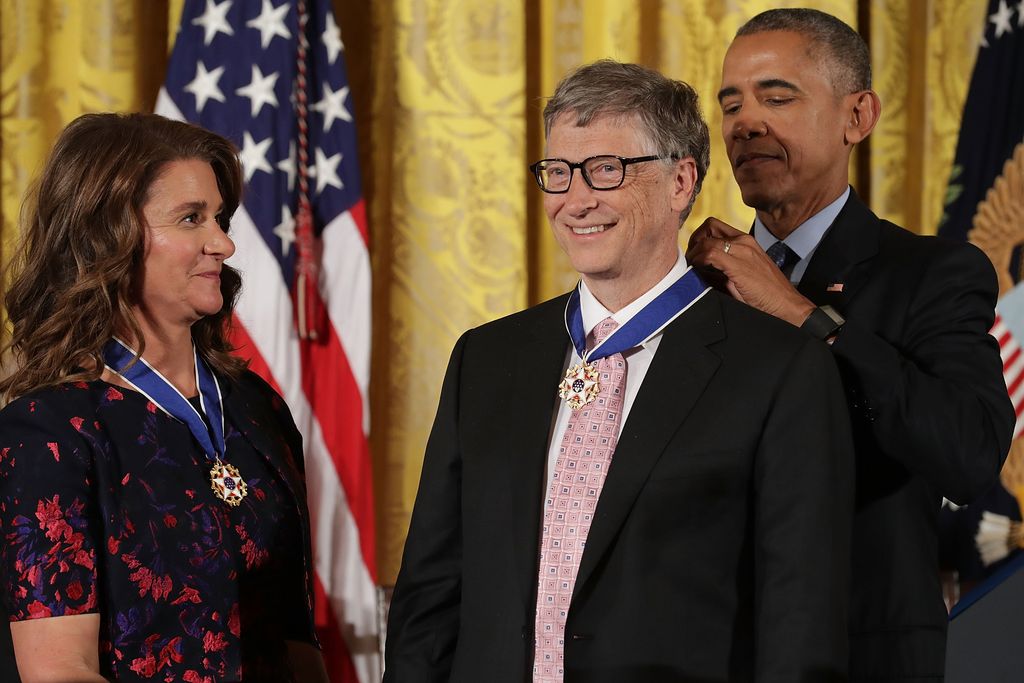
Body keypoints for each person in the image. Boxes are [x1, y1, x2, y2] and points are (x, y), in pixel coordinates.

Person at [385, 60, 854, 682]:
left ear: (681, 181)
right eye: (558, 173)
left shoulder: (779, 369)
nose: (576, 201)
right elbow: (431, 593)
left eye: (606, 170)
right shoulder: (487, 357)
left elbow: (801, 622)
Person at [686, 9, 1016, 681]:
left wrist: (799, 312)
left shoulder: (932, 275)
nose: (745, 122)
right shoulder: (689, 287)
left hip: (862, 654)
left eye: (777, 96)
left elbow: (968, 453)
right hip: (701, 652)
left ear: (857, 117)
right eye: (730, 104)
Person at [0, 113, 327, 682]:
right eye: (191, 218)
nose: (222, 243)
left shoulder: (257, 408)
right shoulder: (48, 431)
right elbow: (60, 671)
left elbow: (297, 641)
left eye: (219, 217)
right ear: (109, 236)